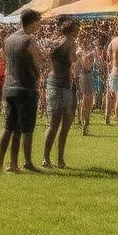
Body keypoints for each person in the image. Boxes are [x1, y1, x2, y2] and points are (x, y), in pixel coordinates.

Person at [0, 8, 43, 173]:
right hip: (26, 88)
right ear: (33, 21)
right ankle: (27, 162)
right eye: (39, 21)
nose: (40, 25)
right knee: (26, 128)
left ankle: (2, 163)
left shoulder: (9, 39)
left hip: (9, 87)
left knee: (9, 127)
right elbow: (39, 64)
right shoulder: (29, 40)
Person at [42, 17, 78, 168]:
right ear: (71, 31)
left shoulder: (54, 42)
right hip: (63, 85)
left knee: (53, 124)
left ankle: (46, 158)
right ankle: (60, 160)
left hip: (53, 82)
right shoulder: (70, 44)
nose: (78, 32)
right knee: (65, 125)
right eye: (76, 29)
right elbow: (74, 60)